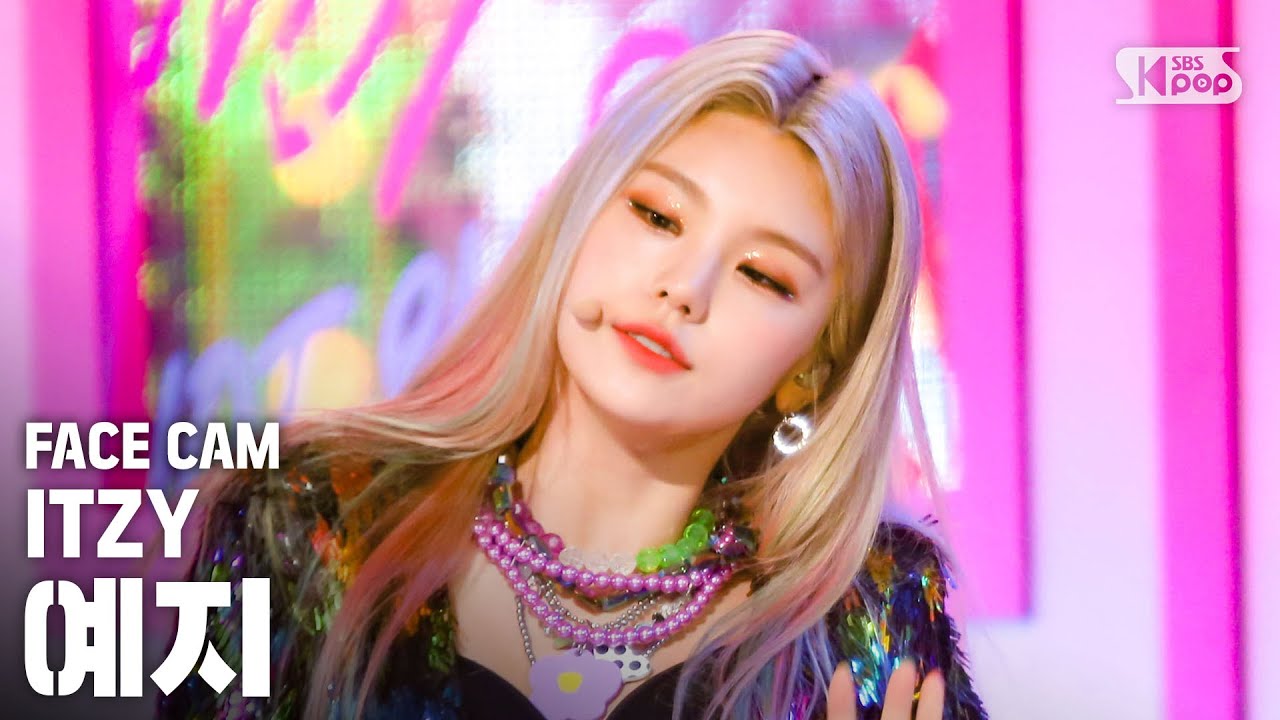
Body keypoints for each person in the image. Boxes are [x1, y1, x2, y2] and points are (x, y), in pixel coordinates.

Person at [155, 29, 987, 720]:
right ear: (578, 218)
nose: (683, 289)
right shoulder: (307, 523)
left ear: (812, 366)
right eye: (658, 215)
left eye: (762, 276)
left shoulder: (863, 614)